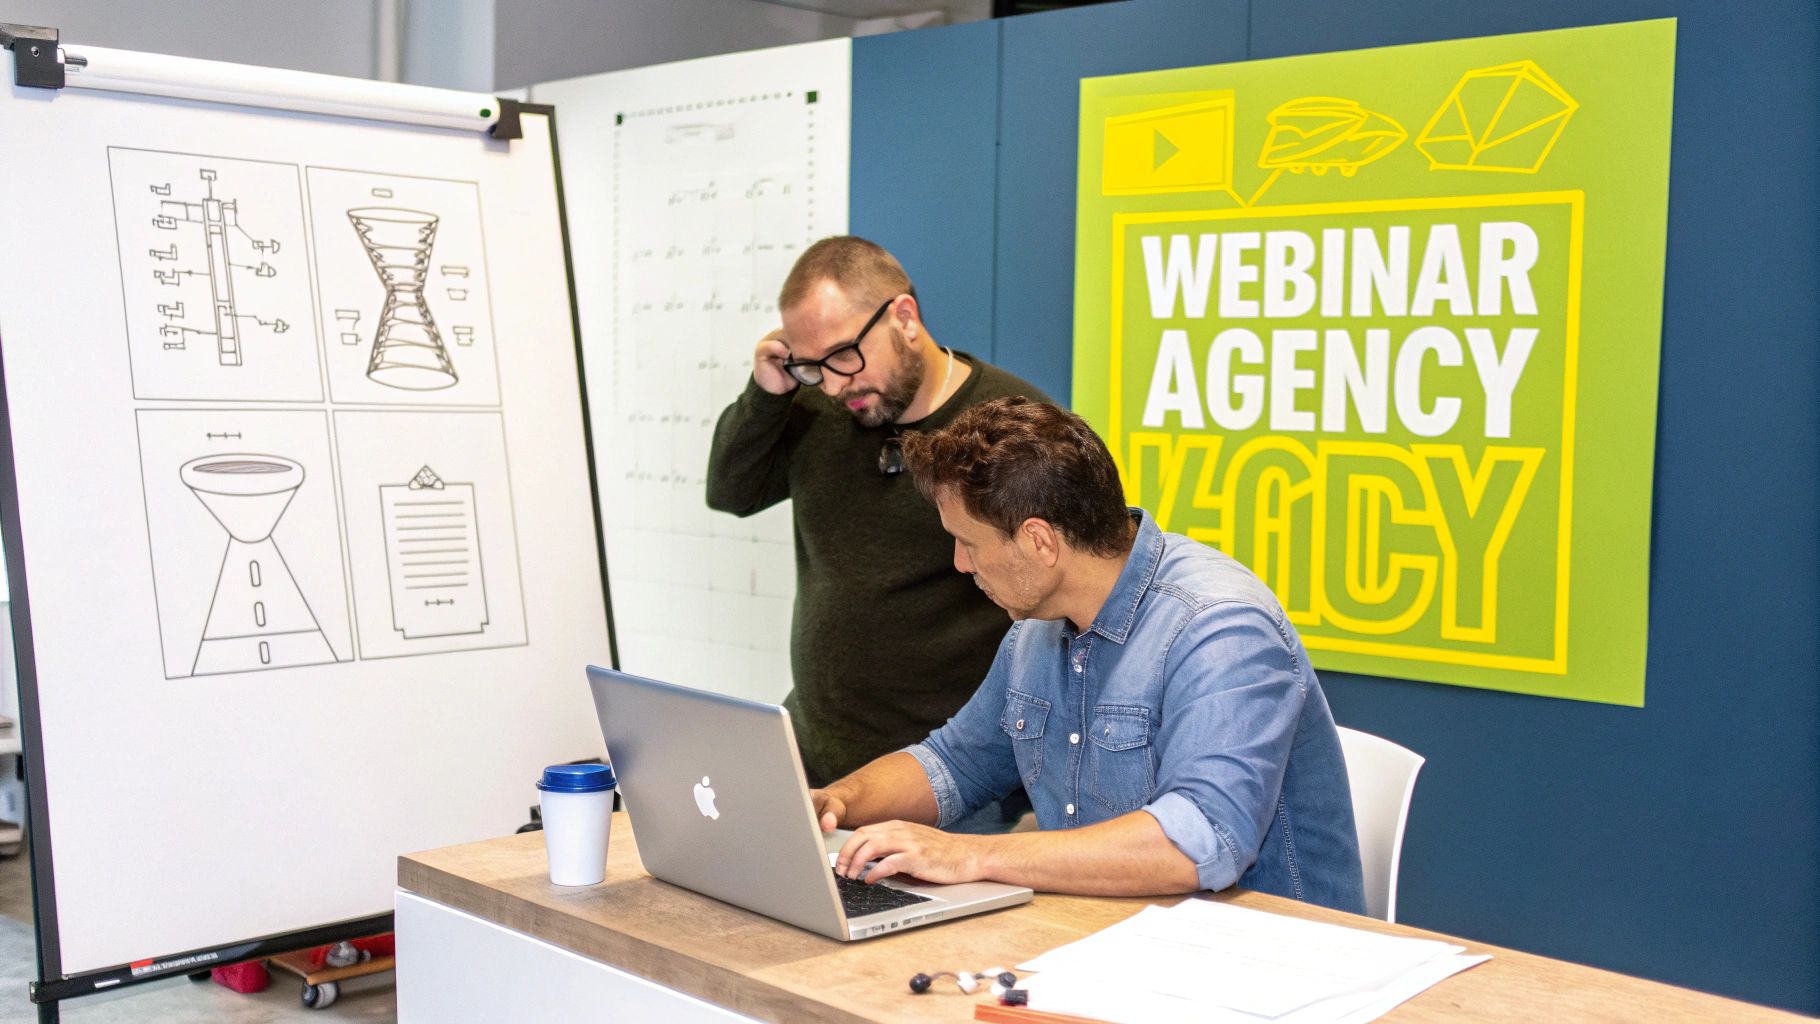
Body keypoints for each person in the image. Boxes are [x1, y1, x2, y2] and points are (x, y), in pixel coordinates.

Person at [810, 397, 1366, 908]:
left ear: (1039, 542)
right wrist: (837, 801)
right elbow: (955, 763)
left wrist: (971, 854)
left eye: (969, 543)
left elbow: (1199, 840)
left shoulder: (1220, 627)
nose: (959, 564)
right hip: (1106, 937)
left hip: (1264, 962)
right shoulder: (1038, 626)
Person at [706, 236, 1051, 799]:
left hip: (948, 779)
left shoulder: (1011, 428)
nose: (838, 383)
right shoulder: (817, 407)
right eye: (814, 365)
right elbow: (731, 491)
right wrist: (767, 394)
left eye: (844, 354)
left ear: (905, 318)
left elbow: (1059, 603)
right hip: (817, 758)